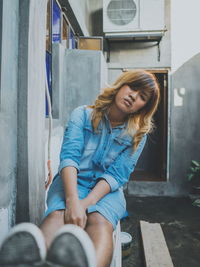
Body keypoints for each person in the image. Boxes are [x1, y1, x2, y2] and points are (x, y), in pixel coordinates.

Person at [0, 70, 160, 267]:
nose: (133, 96)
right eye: (133, 87)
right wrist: (72, 200)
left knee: (100, 221)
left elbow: (117, 175)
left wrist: (83, 205)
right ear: (122, 84)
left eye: (142, 97)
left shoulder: (137, 134)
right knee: (58, 215)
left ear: (143, 106)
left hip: (106, 192)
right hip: (71, 182)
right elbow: (69, 158)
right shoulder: (82, 114)